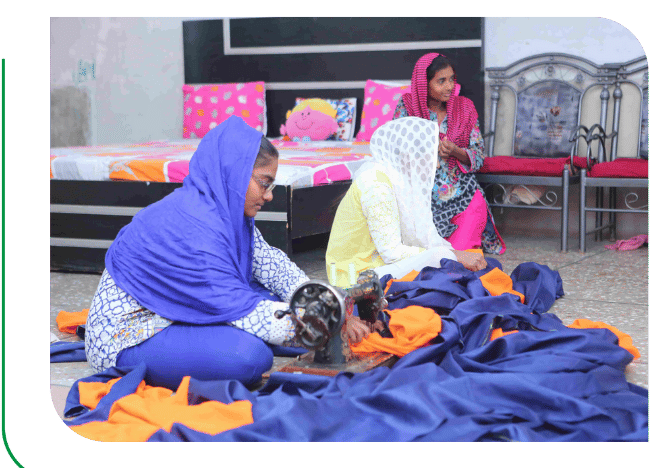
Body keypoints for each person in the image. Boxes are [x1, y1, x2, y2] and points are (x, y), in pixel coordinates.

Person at [85, 116, 374, 390]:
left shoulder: (226, 213)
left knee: (286, 304)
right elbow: (244, 309)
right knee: (249, 356)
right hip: (130, 335)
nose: (269, 195)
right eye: (264, 183)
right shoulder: (191, 226)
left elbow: (274, 268)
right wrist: (331, 324)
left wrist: (325, 303)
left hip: (177, 310)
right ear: (233, 174)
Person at [326, 117, 488, 289]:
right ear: (411, 156)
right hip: (354, 277)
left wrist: (453, 255)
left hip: (377, 264)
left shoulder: (395, 179)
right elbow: (392, 253)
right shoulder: (376, 185)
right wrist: (452, 255)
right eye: (432, 156)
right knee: (442, 259)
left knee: (452, 261)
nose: (437, 166)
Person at [393, 52, 505, 254]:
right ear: (424, 84)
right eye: (441, 81)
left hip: (465, 196)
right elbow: (395, 151)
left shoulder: (465, 108)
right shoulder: (408, 107)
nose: (450, 86)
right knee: (425, 255)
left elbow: (479, 156)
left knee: (458, 254)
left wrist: (456, 151)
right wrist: (425, 151)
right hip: (421, 202)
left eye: (452, 79)